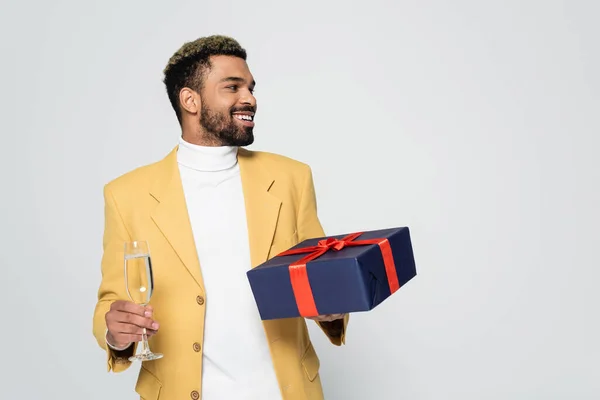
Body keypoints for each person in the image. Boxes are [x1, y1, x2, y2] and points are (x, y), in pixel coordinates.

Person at [92, 35, 349, 400]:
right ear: (190, 100)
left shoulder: (292, 178)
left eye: (251, 88)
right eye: (233, 87)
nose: (250, 99)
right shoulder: (126, 194)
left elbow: (319, 278)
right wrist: (114, 333)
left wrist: (331, 308)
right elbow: (113, 299)